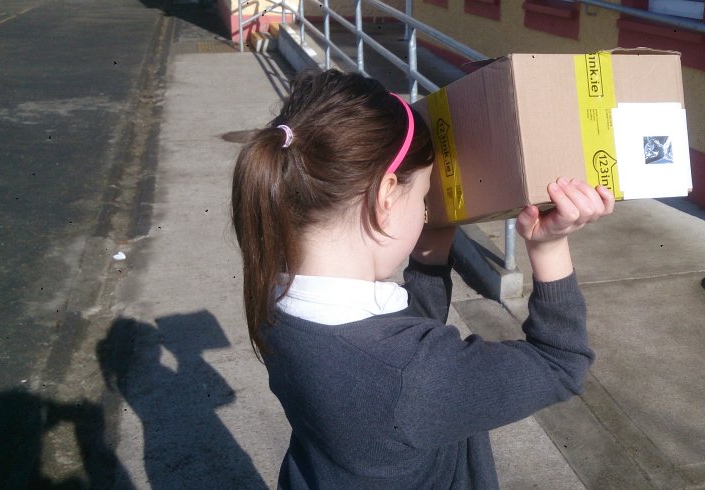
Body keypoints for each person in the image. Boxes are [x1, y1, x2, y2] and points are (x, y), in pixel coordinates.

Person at [231, 69, 615, 489]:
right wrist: (549, 246)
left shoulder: (276, 296)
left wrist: (431, 244)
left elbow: (405, 339)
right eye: (424, 197)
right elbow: (561, 364)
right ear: (386, 197)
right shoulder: (414, 379)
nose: (427, 210)